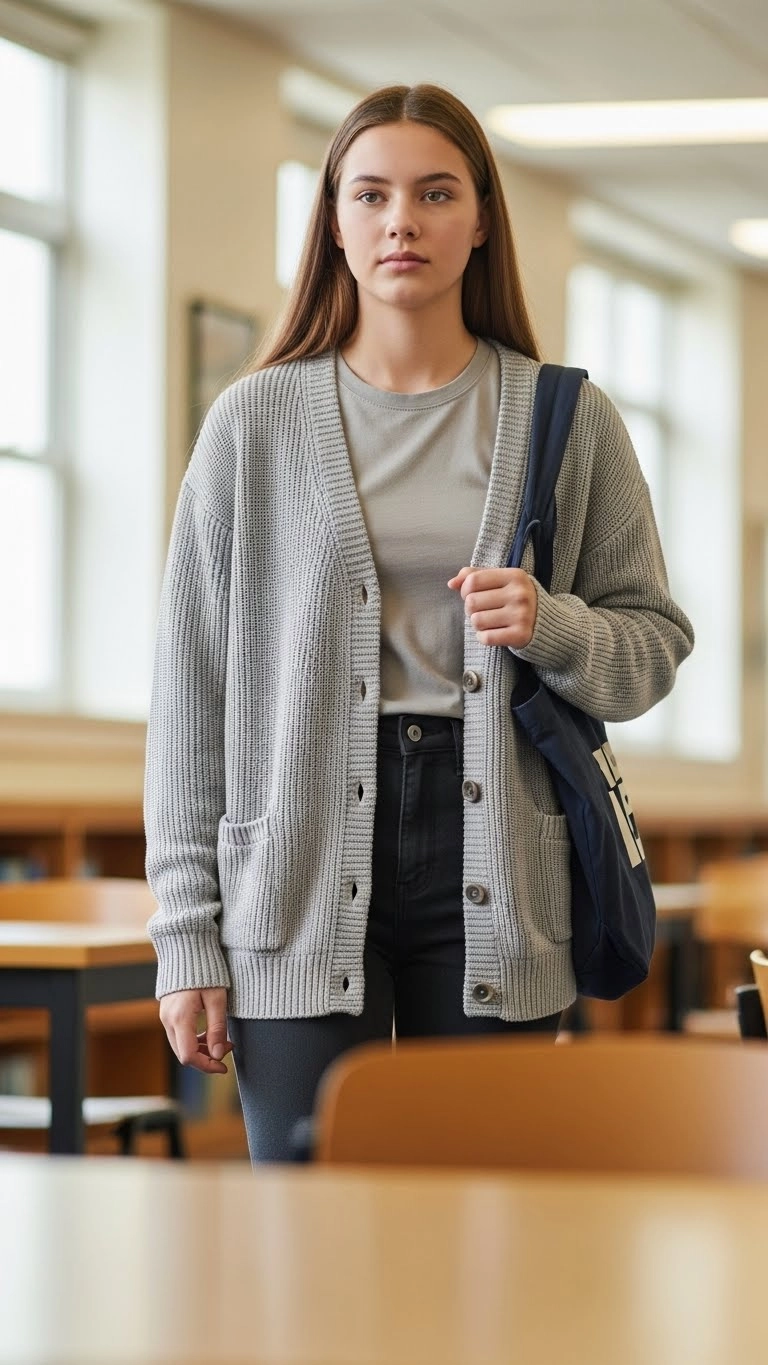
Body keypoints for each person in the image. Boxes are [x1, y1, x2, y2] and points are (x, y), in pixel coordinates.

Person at [144, 83, 694, 1163]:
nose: (403, 220)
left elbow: (653, 648)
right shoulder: (253, 422)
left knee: (484, 1216)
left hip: (497, 855)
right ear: (336, 221)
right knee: (303, 1213)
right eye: (374, 194)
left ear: (481, 218)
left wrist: (552, 624)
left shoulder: (566, 419)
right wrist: (185, 940)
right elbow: (190, 694)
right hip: (294, 857)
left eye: (436, 194)